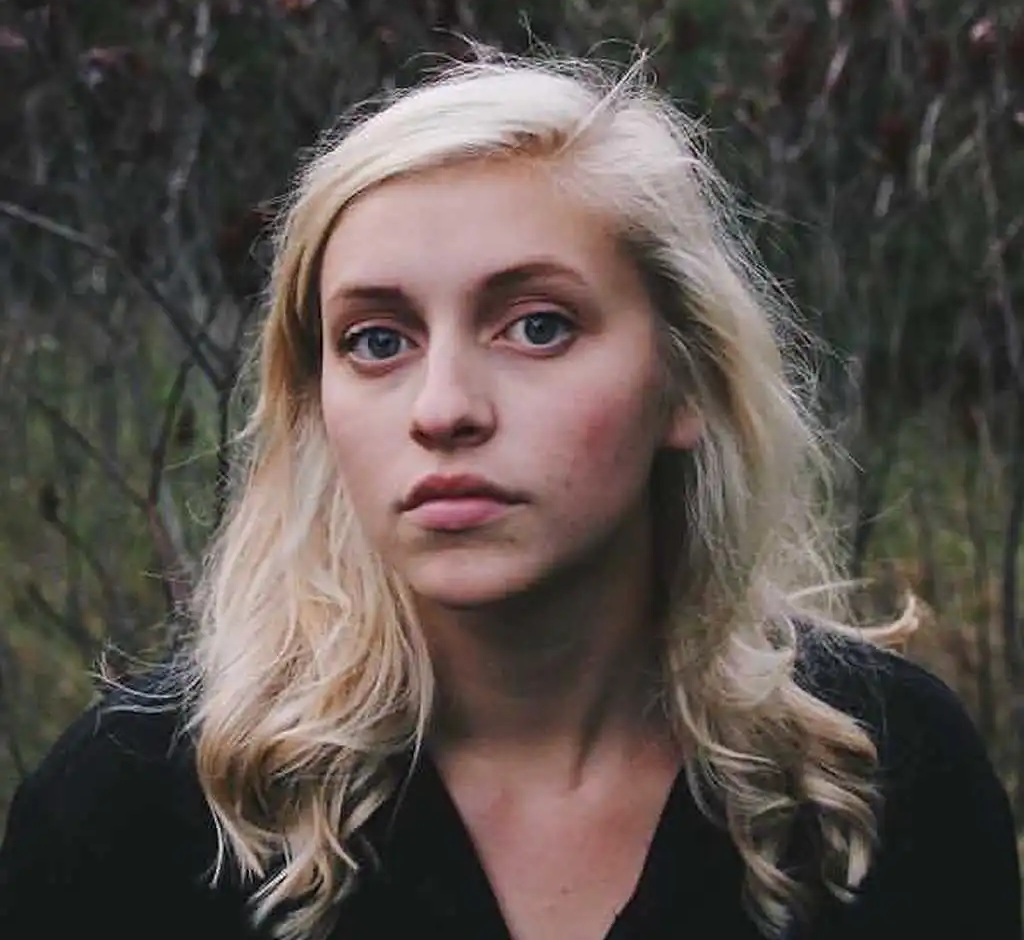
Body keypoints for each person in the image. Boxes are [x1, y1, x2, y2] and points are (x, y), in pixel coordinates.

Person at [0, 51, 1019, 940]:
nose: (443, 408)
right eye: (377, 340)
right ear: (315, 402)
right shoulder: (135, 811)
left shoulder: (878, 777)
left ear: (688, 379)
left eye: (537, 326)